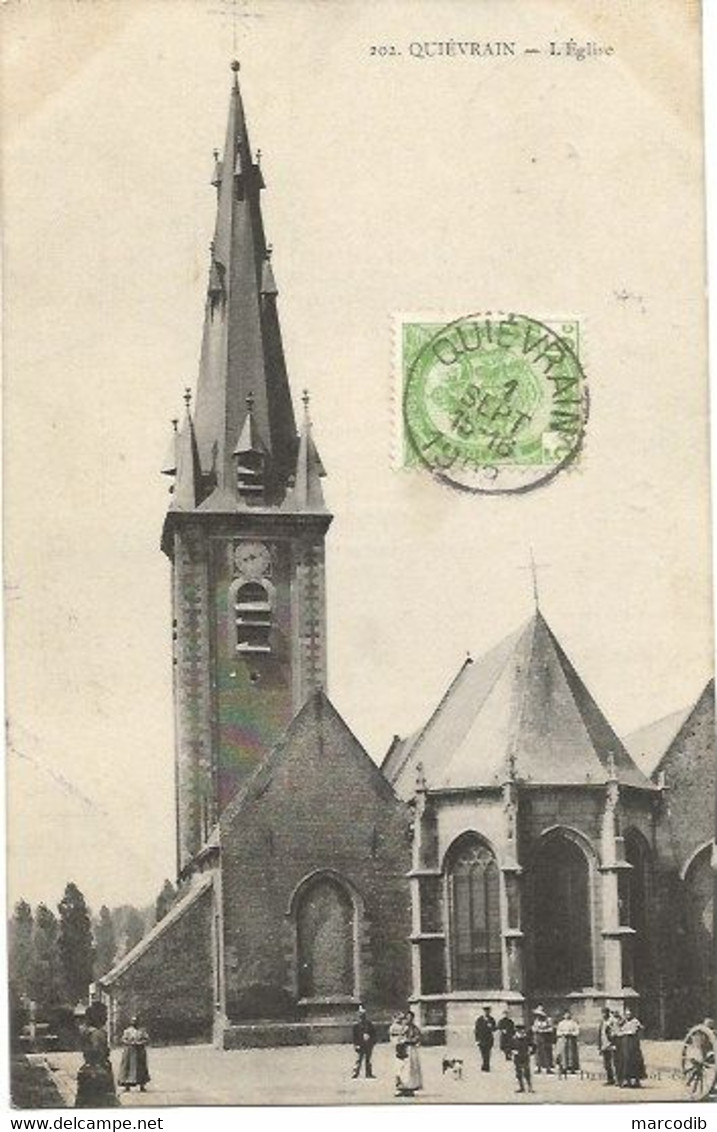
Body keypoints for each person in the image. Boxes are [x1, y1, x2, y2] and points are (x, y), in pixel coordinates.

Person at [75, 1002, 118, 1108]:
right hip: (99, 1071)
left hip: (87, 1068)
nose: (107, 1017)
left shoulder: (85, 1030)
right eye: (105, 1014)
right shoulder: (97, 1033)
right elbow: (97, 1051)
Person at [393, 1010, 423, 1097]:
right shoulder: (401, 1028)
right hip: (402, 1050)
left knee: (410, 1070)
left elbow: (418, 1038)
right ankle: (401, 1088)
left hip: (411, 1050)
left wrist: (408, 1040)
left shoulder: (415, 1029)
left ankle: (410, 1088)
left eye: (410, 1018)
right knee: (401, 1069)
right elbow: (396, 1037)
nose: (408, 1020)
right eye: (407, 1018)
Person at [118, 1016, 150, 1093]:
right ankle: (127, 1086)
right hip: (129, 1051)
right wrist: (129, 1042)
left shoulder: (142, 1031)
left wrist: (140, 1043)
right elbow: (123, 1039)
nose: (134, 1023)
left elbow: (147, 1039)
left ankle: (142, 1085)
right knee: (127, 1067)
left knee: (141, 1067)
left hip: (139, 1051)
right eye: (133, 1021)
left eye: (136, 1021)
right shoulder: (127, 1031)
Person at [618, 1007, 646, 1088]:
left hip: (633, 1043)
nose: (628, 1016)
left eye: (629, 1014)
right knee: (625, 1061)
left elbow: (641, 1028)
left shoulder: (635, 1021)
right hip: (625, 1043)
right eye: (626, 1014)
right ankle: (626, 1080)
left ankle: (636, 1080)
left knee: (635, 1061)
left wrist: (638, 1029)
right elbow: (618, 1029)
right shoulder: (623, 1022)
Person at [351, 1004, 376, 1079]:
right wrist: (356, 1045)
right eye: (360, 1015)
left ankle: (368, 1073)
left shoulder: (369, 1024)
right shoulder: (356, 1026)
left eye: (363, 1015)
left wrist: (372, 1041)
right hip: (360, 1044)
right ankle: (355, 1073)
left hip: (368, 1044)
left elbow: (373, 1033)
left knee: (368, 1060)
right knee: (358, 1059)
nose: (362, 1017)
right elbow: (354, 1037)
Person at [511, 1019, 535, 1093]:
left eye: (522, 1030)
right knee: (518, 1072)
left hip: (525, 1056)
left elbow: (533, 1045)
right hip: (517, 1057)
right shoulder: (514, 1038)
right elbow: (509, 1046)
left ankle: (530, 1087)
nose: (522, 1032)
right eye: (519, 1030)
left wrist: (531, 1051)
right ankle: (521, 1087)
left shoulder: (526, 1038)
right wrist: (512, 1051)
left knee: (526, 1071)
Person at [555, 1010, 580, 1078]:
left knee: (571, 1054)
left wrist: (571, 1033)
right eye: (565, 1014)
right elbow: (557, 1032)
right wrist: (563, 1033)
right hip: (563, 1040)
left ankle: (572, 1068)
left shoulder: (573, 1023)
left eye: (568, 1014)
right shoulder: (561, 1023)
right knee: (563, 1054)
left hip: (571, 1040)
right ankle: (564, 1067)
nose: (567, 1015)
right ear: (563, 1015)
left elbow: (577, 1032)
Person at [532, 1006, 555, 1074]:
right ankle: (538, 1067)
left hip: (546, 1038)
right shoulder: (536, 1020)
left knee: (547, 1052)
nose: (538, 1016)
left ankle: (548, 1068)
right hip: (538, 1038)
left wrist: (544, 1030)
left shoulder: (548, 1020)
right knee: (538, 1053)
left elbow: (551, 1029)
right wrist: (536, 1030)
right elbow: (534, 1028)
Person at [474, 1005, 496, 1072]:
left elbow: (494, 1029)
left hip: (489, 1039)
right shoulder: (479, 1019)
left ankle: (486, 1066)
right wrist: (477, 1039)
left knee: (488, 1053)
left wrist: (491, 1026)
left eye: (488, 1011)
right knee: (483, 1053)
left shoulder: (491, 1019)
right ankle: (485, 1064)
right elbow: (476, 1030)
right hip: (481, 1039)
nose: (487, 1012)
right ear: (484, 1012)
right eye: (486, 1011)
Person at [597, 1007, 616, 1085]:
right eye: (602, 1013)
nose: (603, 1015)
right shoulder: (602, 1022)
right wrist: (599, 1046)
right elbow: (600, 1034)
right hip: (604, 1045)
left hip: (611, 1044)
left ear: (608, 1013)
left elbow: (614, 1032)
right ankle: (610, 1079)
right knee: (606, 1064)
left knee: (613, 1062)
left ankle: (617, 1079)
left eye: (605, 1013)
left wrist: (614, 1043)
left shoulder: (612, 1021)